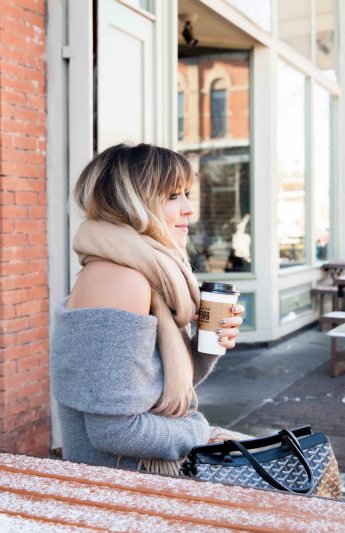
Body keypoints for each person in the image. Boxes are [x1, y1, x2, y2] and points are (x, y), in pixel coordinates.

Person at [50, 143, 246, 475]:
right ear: (132, 204)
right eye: (172, 196)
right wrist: (203, 433)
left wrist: (208, 345)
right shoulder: (119, 280)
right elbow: (116, 431)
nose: (188, 209)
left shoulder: (146, 275)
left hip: (147, 469)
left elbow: (152, 389)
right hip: (124, 486)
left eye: (186, 194)